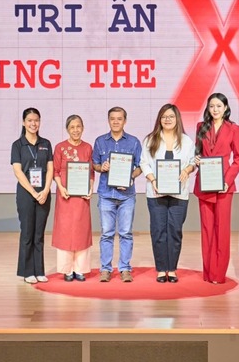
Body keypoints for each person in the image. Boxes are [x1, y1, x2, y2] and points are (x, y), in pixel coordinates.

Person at [141, 104, 196, 283]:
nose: (167, 119)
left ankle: (171, 269)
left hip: (179, 194)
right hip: (156, 193)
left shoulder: (186, 141)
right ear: (159, 119)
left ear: (177, 118)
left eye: (171, 116)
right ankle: (161, 269)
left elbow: (193, 162)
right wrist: (153, 179)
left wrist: (187, 170)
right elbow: (144, 163)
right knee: (158, 231)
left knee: (175, 230)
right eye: (164, 116)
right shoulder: (150, 140)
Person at [193, 93, 239, 284]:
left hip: (223, 185)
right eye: (212, 106)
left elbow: (238, 158)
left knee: (221, 230)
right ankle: (208, 272)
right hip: (205, 183)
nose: (215, 109)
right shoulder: (201, 126)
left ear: (225, 108)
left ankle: (219, 274)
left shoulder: (234, 129)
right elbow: (198, 152)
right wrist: (196, 159)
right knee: (207, 230)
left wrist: (227, 181)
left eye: (219, 106)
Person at [92, 106, 142, 283]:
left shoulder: (134, 142)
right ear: (108, 120)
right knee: (106, 233)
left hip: (127, 195)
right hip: (106, 194)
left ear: (125, 121)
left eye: (119, 118)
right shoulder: (100, 141)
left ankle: (125, 268)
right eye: (112, 118)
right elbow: (95, 164)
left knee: (126, 233)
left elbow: (140, 167)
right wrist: (102, 167)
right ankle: (105, 269)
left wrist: (130, 177)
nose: (115, 121)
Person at [10, 108, 54, 284]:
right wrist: (34, 192)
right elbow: (18, 171)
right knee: (27, 232)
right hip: (26, 193)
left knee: (39, 233)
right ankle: (28, 271)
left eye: (36, 120)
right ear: (23, 122)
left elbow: (50, 169)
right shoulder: (17, 145)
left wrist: (46, 190)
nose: (33, 123)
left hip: (44, 193)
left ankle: (39, 270)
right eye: (29, 120)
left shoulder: (46, 143)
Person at [52, 115, 94, 282]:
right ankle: (67, 269)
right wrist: (60, 187)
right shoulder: (60, 147)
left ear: (83, 128)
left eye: (78, 126)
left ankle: (80, 269)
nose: (76, 130)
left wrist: (90, 188)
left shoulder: (88, 147)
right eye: (72, 127)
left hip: (82, 198)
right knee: (65, 231)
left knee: (81, 231)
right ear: (67, 129)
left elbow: (91, 172)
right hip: (65, 196)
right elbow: (55, 171)